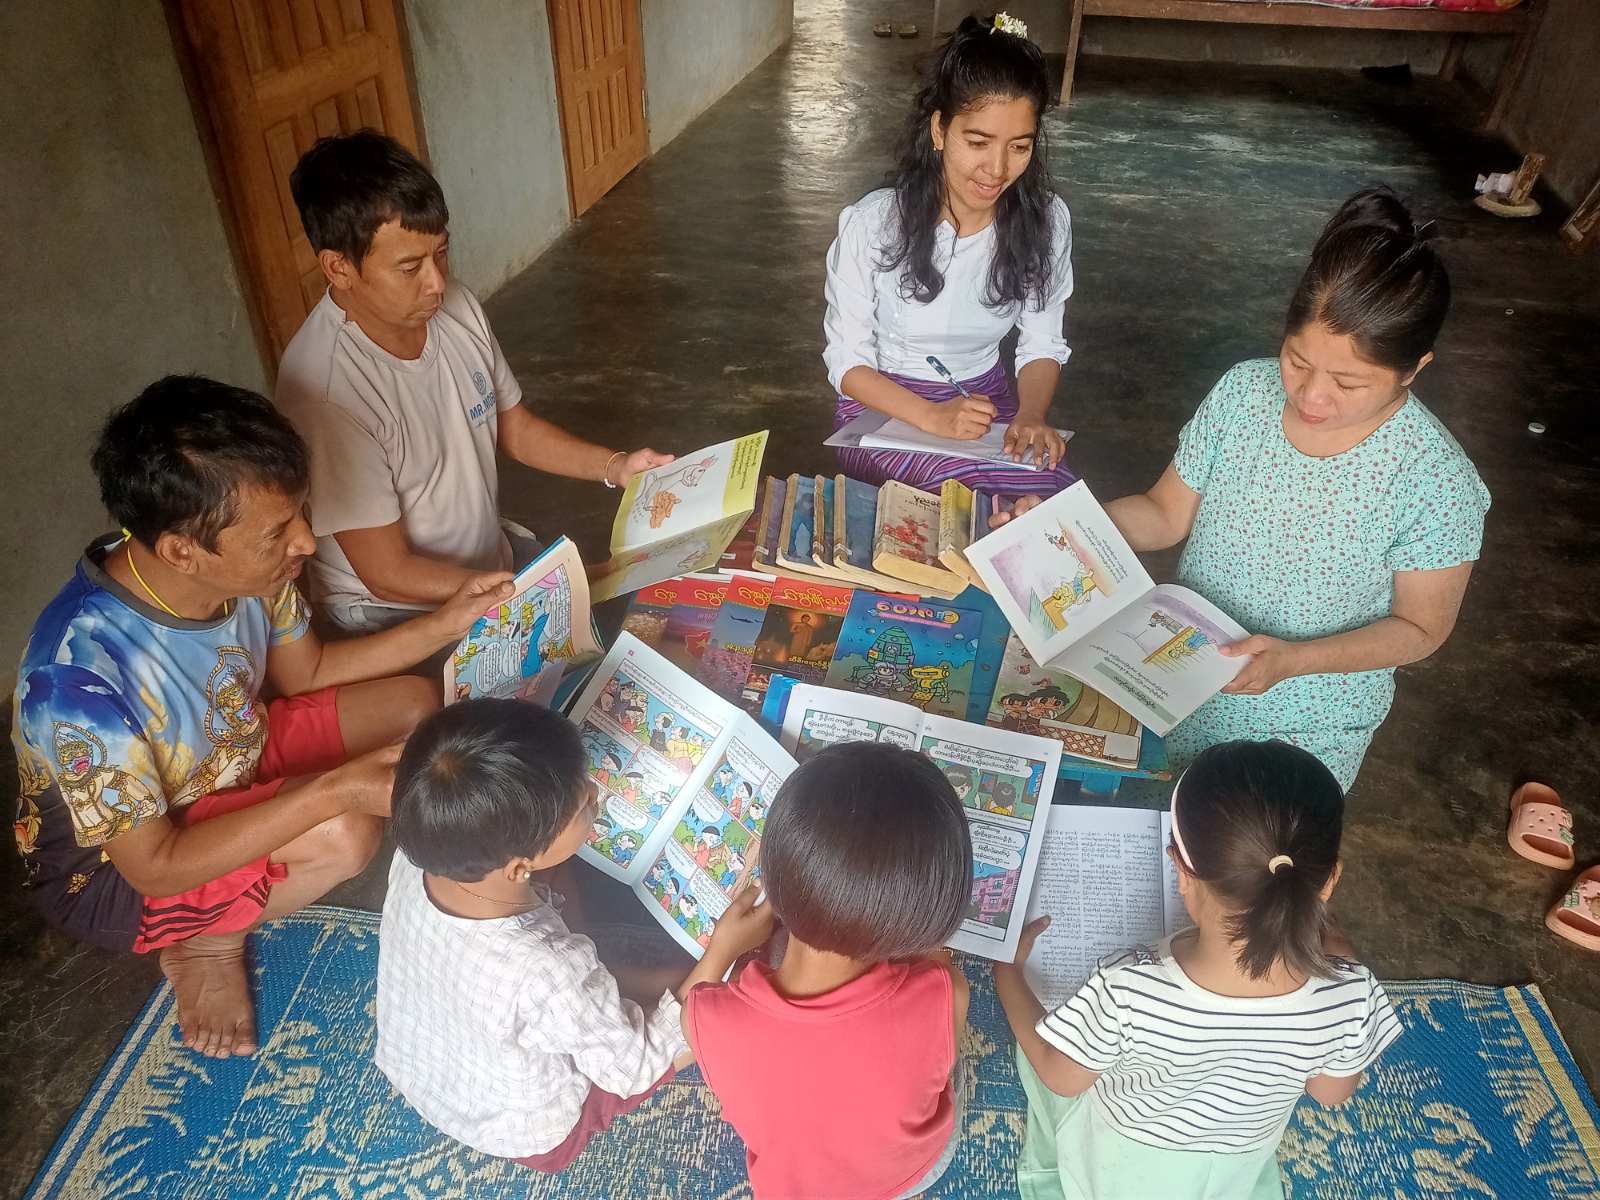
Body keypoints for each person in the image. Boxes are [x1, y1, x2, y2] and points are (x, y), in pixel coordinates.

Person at [10, 376, 513, 1060]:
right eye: (279, 531)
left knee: (416, 705)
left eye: (300, 514)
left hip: (232, 752)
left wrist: (447, 621)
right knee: (344, 833)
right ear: (182, 551)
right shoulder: (76, 680)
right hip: (123, 871)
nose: (305, 541)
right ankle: (206, 943)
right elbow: (155, 866)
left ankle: (267, 854)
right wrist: (334, 790)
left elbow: (308, 672)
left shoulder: (244, 570)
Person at [1001, 187, 1489, 791]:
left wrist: (1293, 660)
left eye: (1348, 383)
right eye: (1298, 361)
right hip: (1174, 682)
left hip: (1304, 724)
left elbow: (1421, 629)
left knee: (1248, 846)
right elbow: (1163, 513)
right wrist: (1061, 528)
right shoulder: (1243, 395)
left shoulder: (1436, 481)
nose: (1312, 396)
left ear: (1414, 369)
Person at [275, 129, 672, 634]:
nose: (437, 283)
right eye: (409, 267)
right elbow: (388, 574)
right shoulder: (327, 392)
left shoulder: (454, 306)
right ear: (339, 268)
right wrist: (524, 591)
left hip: (489, 564)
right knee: (589, 651)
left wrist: (616, 466)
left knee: (644, 604)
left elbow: (515, 427)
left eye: (441, 253)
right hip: (399, 612)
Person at [376, 699, 773, 1169]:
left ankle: (652, 988)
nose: (595, 792)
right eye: (584, 804)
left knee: (587, 957)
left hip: (426, 1061)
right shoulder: (546, 966)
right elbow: (634, 1067)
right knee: (731, 996)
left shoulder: (422, 855)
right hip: (521, 1127)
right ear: (519, 867)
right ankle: (688, 988)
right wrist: (721, 953)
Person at [995, 741, 1402, 1200]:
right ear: (1329, 881)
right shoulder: (1351, 991)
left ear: (1182, 872)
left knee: (1047, 1044)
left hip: (1122, 1165)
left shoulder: (1126, 986)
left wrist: (1008, 973)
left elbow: (1059, 1075)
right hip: (1237, 1164)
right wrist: (1341, 954)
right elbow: (1330, 1092)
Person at [685, 741, 973, 1200]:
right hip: (912, 1171)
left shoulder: (707, 1019)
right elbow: (935, 967)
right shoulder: (943, 993)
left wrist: (722, 949)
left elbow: (694, 1005)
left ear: (772, 880)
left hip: (789, 1185)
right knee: (940, 1058)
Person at [823, 13, 1075, 497]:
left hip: (986, 404)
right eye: (978, 143)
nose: (996, 169)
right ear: (940, 130)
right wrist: (932, 416)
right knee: (957, 502)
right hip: (883, 408)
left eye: (1019, 147)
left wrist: (1030, 415)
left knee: (1051, 505)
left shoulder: (1046, 222)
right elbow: (847, 363)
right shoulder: (873, 224)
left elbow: (1042, 342)